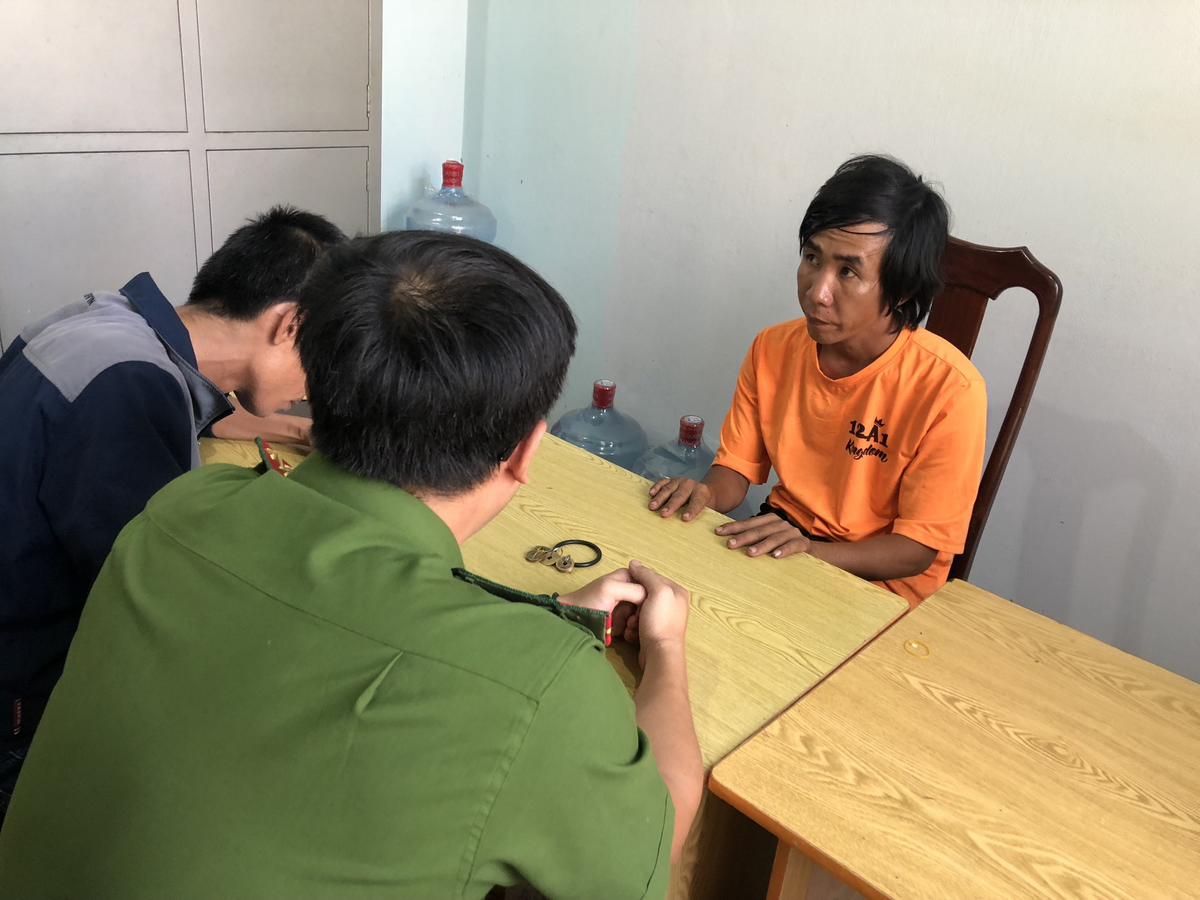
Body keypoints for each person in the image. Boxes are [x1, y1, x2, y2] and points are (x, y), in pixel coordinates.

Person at [0, 231, 703, 900]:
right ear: (526, 451)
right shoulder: (542, 685)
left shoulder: (179, 510)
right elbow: (654, 839)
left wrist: (540, 618)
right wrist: (666, 648)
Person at [0, 206, 346, 822]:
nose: (315, 388)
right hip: (26, 704)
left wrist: (296, 429)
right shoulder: (129, 388)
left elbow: (192, 404)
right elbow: (167, 601)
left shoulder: (111, 328)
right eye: (326, 356)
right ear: (290, 324)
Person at [648, 155, 986, 606]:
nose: (817, 292)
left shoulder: (951, 389)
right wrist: (705, 493)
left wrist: (812, 553)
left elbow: (916, 550)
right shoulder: (772, 348)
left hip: (880, 589)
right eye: (812, 258)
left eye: (848, 271)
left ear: (902, 288)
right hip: (783, 539)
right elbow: (736, 469)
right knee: (659, 597)